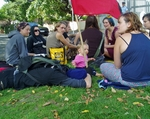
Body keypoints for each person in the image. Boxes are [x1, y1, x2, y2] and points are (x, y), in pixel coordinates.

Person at [100, 12, 150, 88]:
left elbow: (117, 66)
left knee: (103, 66)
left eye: (120, 23)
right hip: (148, 80)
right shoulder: (147, 36)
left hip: (129, 81)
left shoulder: (121, 39)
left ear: (129, 24)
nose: (117, 25)